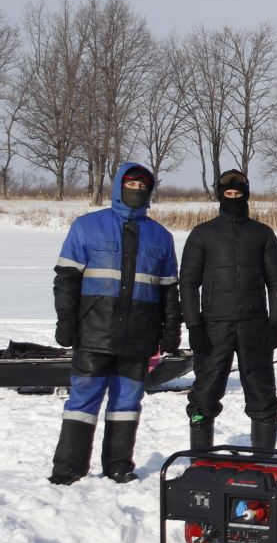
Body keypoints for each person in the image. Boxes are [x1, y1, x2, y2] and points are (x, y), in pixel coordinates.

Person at [49, 162, 180, 484]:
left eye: (142, 187)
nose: (136, 191)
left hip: (138, 337)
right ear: (119, 186)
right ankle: (68, 467)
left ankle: (119, 465)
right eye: (131, 185)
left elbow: (168, 291)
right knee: (82, 401)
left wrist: (172, 329)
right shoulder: (86, 227)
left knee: (127, 403)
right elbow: (66, 279)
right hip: (93, 332)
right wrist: (66, 321)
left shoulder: (161, 236)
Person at [179, 169, 277, 452]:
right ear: (220, 196)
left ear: (246, 195)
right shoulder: (202, 234)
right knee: (204, 394)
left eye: (239, 194)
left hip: (255, 326)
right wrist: (194, 326)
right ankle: (199, 459)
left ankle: (264, 458)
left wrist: (275, 324)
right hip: (214, 327)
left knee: (262, 394)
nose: (234, 198)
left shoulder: (262, 234)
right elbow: (188, 283)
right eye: (228, 194)